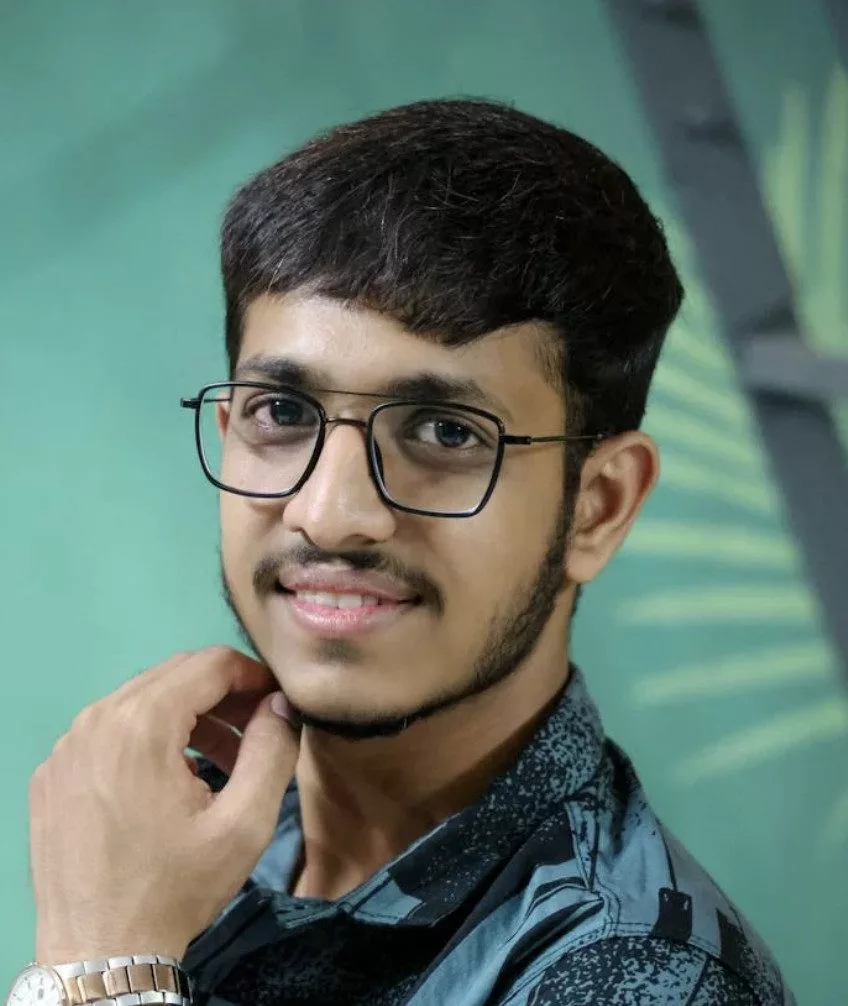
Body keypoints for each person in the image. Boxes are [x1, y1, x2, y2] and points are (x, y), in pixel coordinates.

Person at [14, 99, 794, 1006]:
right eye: (284, 415)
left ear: (598, 506)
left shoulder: (632, 974)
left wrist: (99, 968)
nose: (330, 513)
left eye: (443, 430)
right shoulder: (184, 847)